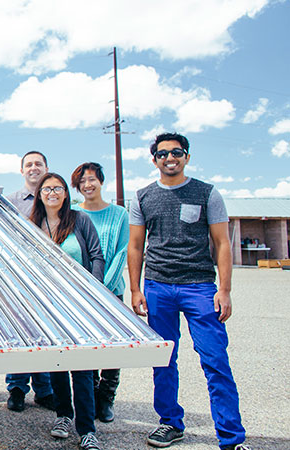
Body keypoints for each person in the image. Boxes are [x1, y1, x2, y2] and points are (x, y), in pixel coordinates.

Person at [128, 133, 249, 450]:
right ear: (154, 159)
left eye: (177, 152)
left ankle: (231, 438)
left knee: (215, 360)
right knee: (163, 360)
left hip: (199, 288)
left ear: (187, 157)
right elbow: (136, 246)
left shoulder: (207, 193)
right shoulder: (142, 197)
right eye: (163, 153)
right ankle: (170, 423)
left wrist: (225, 289)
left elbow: (222, 244)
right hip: (157, 287)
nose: (170, 157)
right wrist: (135, 289)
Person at [30, 173, 105, 450]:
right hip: (48, 303)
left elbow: (96, 255)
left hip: (80, 302)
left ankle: (87, 429)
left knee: (82, 367)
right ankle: (63, 416)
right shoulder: (32, 224)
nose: (52, 193)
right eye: (47, 188)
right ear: (40, 194)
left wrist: (92, 291)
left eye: (58, 188)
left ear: (65, 193)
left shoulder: (80, 219)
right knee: (57, 364)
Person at [71, 162, 129, 423]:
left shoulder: (119, 214)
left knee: (112, 345)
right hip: (80, 294)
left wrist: (102, 288)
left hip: (110, 291)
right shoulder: (72, 213)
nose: (88, 185)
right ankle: (91, 394)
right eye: (82, 182)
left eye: (92, 179)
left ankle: (107, 396)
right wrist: (84, 289)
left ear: (101, 181)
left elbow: (120, 252)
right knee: (87, 344)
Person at [5, 150, 54, 412]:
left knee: (46, 333)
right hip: (19, 278)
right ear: (21, 170)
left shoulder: (55, 199)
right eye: (29, 164)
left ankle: (44, 390)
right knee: (20, 332)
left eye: (39, 164)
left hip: (50, 280)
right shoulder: (10, 202)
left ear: (47, 168)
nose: (34, 168)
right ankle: (16, 387)